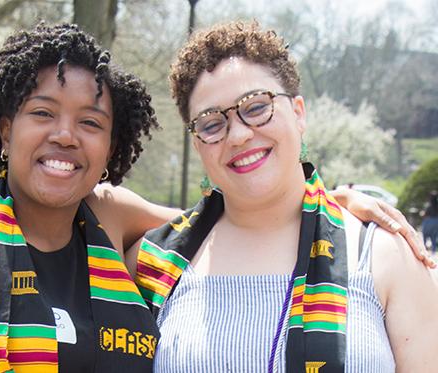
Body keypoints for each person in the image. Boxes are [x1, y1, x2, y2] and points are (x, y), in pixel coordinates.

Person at [0, 21, 430, 373]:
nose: (65, 136)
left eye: (90, 122)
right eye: (42, 113)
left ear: (112, 145)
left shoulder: (109, 219)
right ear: (4, 130)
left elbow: (239, 215)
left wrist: (327, 203)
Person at [131, 21, 438, 372]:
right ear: (197, 144)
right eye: (211, 123)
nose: (239, 135)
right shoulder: (153, 264)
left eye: (257, 106)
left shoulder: (381, 255)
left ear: (298, 113)